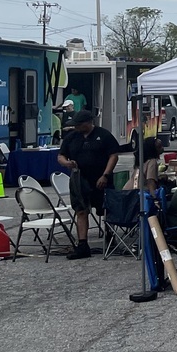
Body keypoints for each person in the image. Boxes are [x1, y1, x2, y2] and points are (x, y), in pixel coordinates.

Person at [56, 109, 121, 260]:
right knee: (81, 210)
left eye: (78, 124)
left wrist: (106, 174)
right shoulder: (71, 137)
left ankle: (110, 237)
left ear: (88, 123)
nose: (76, 127)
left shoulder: (103, 135)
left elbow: (114, 155)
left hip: (100, 179)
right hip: (80, 180)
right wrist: (66, 163)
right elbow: (61, 155)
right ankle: (82, 245)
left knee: (106, 210)